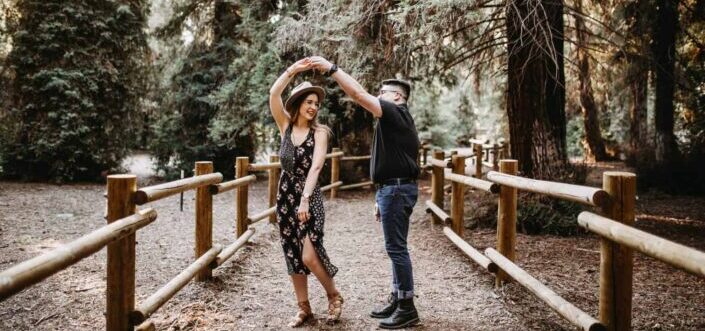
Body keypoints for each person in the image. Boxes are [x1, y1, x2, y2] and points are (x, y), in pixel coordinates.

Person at [309, 56, 420, 329]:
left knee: (397, 249)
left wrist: (332, 69)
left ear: (396, 97)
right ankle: (398, 298)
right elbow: (390, 161)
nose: (377, 98)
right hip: (391, 190)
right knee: (395, 248)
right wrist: (379, 196)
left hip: (395, 190)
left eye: (382, 94)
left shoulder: (396, 113)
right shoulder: (395, 120)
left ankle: (407, 308)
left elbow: (358, 94)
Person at [269, 58, 343, 327]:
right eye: (309, 102)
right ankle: (304, 308)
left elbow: (316, 166)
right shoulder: (285, 127)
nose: (313, 107)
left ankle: (334, 296)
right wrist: (295, 70)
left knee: (309, 255)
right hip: (284, 196)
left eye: (316, 103)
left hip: (308, 198)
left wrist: (304, 200)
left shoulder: (320, 132)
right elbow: (274, 93)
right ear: (298, 104)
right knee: (291, 252)